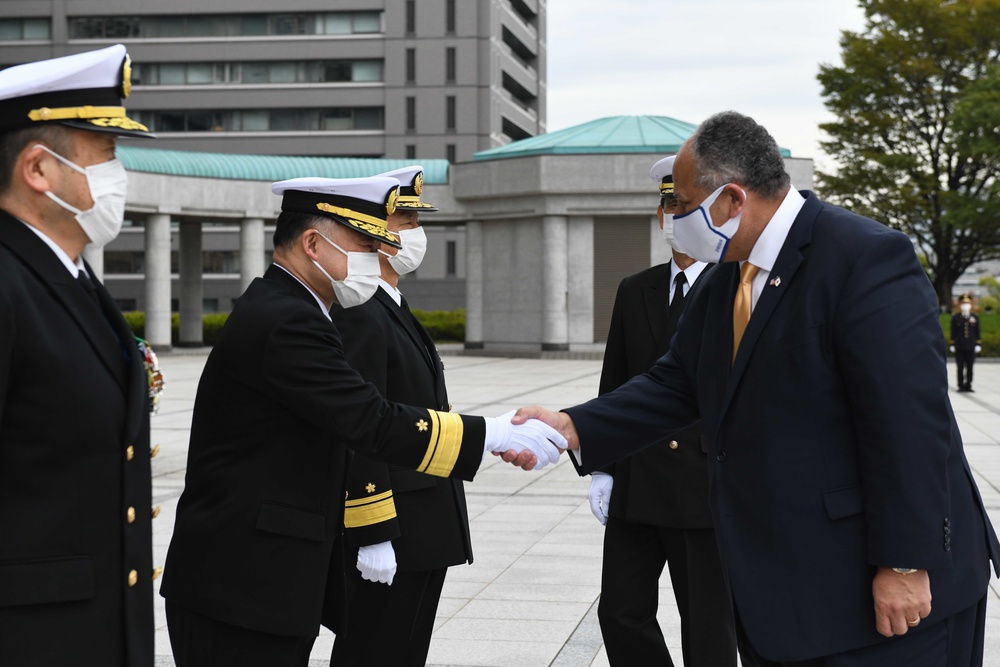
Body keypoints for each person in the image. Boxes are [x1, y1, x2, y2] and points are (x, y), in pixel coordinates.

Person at [514, 111, 1000, 666]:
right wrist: (573, 427)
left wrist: (906, 563)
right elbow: (676, 382)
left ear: (730, 200)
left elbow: (911, 424)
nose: (677, 219)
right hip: (791, 591)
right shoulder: (729, 275)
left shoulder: (863, 258)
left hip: (885, 594)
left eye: (686, 205)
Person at [159, 176, 565, 667]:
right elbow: (370, 420)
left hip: (260, 577)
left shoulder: (295, 308)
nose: (376, 259)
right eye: (366, 245)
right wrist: (497, 433)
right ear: (313, 243)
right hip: (243, 581)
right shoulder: (288, 319)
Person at [0, 45, 159, 666]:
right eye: (106, 157)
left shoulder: (70, 276)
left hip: (88, 630)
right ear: (38, 170)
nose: (118, 176)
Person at [588, 155, 735, 666]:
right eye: (668, 205)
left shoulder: (738, 286)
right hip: (638, 478)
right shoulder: (637, 289)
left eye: (685, 205)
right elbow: (617, 380)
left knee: (708, 623)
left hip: (704, 486)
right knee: (621, 612)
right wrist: (603, 466)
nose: (675, 215)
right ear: (659, 216)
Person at [328, 166, 469, 666]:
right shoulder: (359, 312)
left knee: (405, 651)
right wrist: (372, 532)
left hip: (425, 521)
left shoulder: (390, 303)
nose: (415, 231)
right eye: (404, 219)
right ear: (374, 231)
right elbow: (360, 428)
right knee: (375, 650)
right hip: (397, 524)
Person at [950, 294, 981, 392]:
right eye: (963, 303)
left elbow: (977, 331)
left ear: (971, 304)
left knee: (970, 367)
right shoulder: (956, 317)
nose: (965, 305)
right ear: (960, 304)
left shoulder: (975, 317)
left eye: (967, 303)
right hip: (959, 346)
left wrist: (978, 343)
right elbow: (953, 331)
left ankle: (968, 385)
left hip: (971, 346)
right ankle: (960, 385)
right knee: (960, 367)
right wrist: (952, 343)